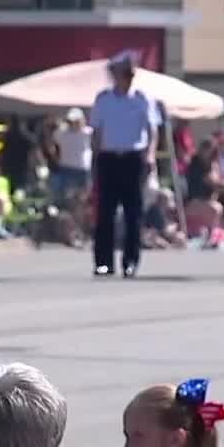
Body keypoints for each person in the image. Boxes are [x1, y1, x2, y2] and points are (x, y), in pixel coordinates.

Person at [89, 51, 161, 278]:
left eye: (130, 74)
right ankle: (104, 262)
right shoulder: (103, 99)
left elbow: (152, 130)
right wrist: (95, 159)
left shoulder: (142, 99)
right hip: (109, 158)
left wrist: (150, 155)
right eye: (123, 74)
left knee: (133, 214)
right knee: (105, 214)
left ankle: (130, 261)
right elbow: (97, 132)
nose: (127, 78)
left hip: (133, 158)